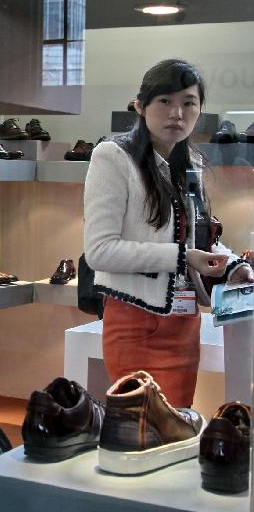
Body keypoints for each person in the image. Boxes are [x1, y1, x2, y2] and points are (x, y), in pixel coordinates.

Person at [84, 58, 254, 407]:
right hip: (135, 321)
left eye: (188, 103)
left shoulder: (188, 163)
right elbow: (100, 250)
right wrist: (182, 257)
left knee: (176, 431)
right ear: (140, 105)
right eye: (165, 101)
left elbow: (198, 239)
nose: (177, 113)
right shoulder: (112, 157)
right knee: (140, 431)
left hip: (183, 324)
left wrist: (234, 265)